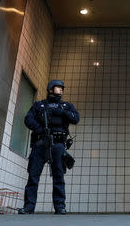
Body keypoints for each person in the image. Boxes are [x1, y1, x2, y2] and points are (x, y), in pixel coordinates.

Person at [18, 80, 79, 215]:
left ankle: (60, 207)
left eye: (62, 88)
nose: (61, 90)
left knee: (58, 176)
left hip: (58, 144)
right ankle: (29, 207)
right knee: (33, 176)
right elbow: (28, 119)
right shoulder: (39, 105)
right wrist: (39, 129)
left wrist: (63, 112)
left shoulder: (66, 106)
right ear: (51, 89)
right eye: (58, 87)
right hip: (41, 143)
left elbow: (76, 118)